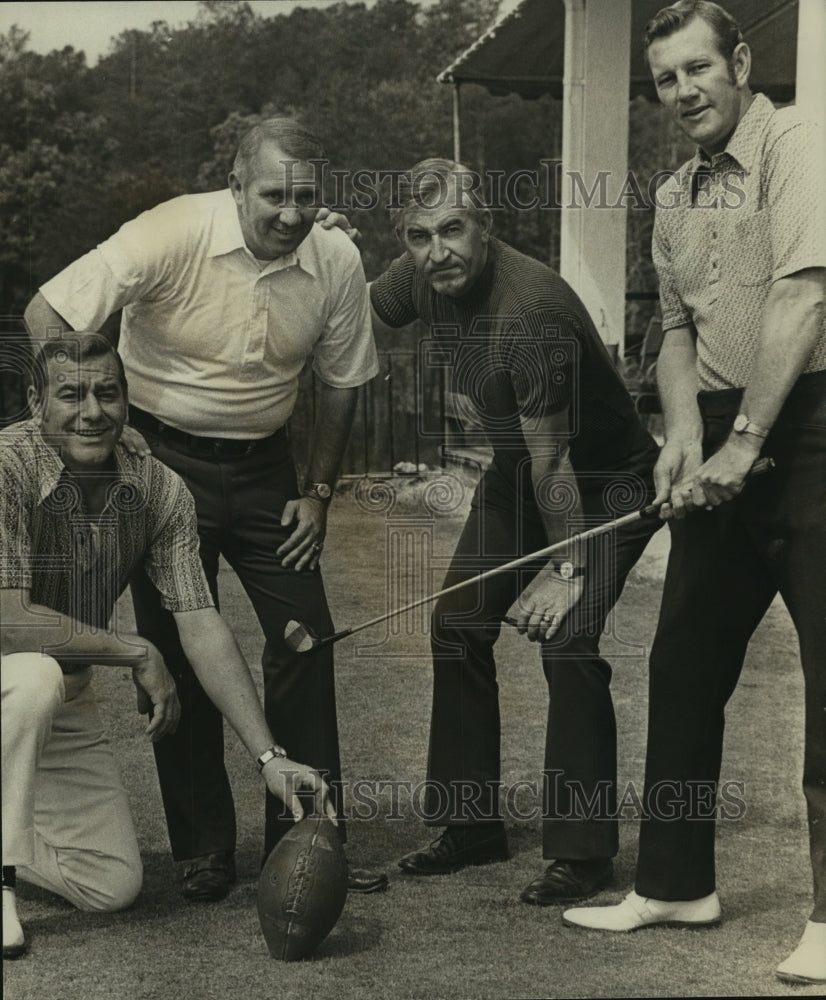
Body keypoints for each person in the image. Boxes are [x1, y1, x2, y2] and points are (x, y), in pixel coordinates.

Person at [22, 117, 386, 901]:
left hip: (266, 469)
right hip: (159, 457)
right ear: (234, 185)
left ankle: (310, 839)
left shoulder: (337, 257)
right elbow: (46, 312)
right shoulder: (171, 229)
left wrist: (318, 493)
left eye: (305, 197)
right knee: (177, 648)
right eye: (273, 196)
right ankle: (202, 847)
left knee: (304, 641)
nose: (291, 214)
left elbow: (345, 378)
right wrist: (81, 431)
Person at [561, 1, 826, 985]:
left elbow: (805, 295)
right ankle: (675, 881)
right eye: (664, 79)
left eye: (695, 70)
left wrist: (746, 438)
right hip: (721, 430)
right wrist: (683, 437)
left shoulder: (799, 141)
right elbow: (673, 330)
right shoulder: (672, 192)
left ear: (741, 62)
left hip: (809, 432)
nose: (680, 93)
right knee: (680, 667)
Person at [368, 158, 663, 904]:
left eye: (454, 229)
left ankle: (582, 849)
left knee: (566, 639)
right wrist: (325, 257)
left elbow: (556, 463)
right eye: (421, 236)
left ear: (486, 226)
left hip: (603, 481)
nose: (440, 250)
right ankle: (470, 825)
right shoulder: (417, 277)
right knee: (459, 620)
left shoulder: (531, 311)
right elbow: (352, 310)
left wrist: (562, 572)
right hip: (519, 470)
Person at [1, 334, 336, 959]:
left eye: (108, 392)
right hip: (15, 680)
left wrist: (269, 759)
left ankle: (6, 840)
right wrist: (135, 651)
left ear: (129, 402)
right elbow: (10, 620)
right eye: (71, 394)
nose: (92, 411)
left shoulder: (157, 488)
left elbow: (200, 621)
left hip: (61, 701)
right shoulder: (6, 465)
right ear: (34, 401)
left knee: (110, 884)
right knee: (34, 675)